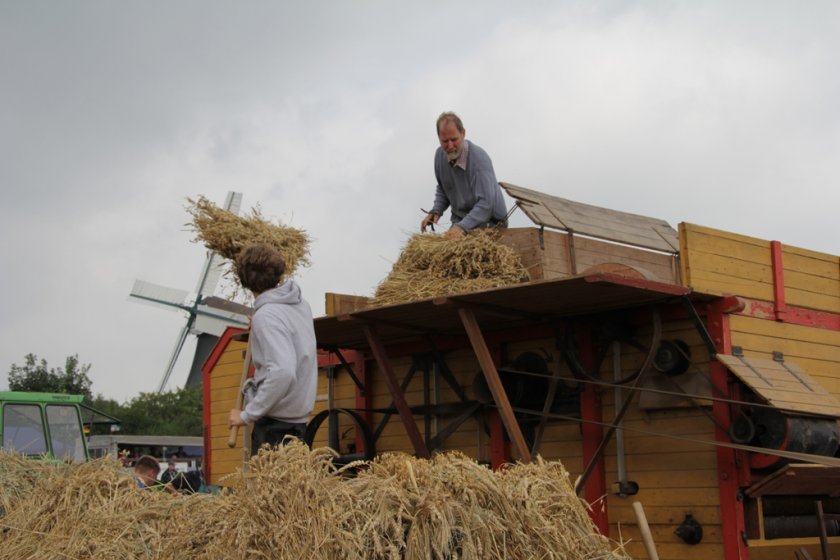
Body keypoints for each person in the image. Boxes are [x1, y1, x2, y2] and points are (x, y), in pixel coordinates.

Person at [228, 243, 318, 456]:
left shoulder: (267, 316)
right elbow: (288, 332)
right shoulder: (300, 305)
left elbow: (283, 372)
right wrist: (260, 323)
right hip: (298, 422)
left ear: (244, 280)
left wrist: (247, 415)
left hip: (275, 428)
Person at [421, 111, 508, 237]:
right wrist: (436, 210)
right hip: (460, 222)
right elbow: (444, 187)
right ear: (439, 138)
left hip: (491, 224)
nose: (450, 145)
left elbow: (486, 205)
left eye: (454, 139)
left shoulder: (479, 160)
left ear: (463, 133)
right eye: (445, 141)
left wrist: (462, 227)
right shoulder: (440, 156)